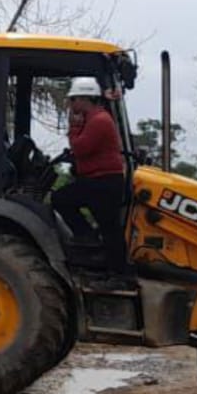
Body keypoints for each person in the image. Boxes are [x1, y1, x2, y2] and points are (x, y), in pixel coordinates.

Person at [51, 77, 131, 279]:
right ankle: (111, 266)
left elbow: (81, 148)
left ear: (85, 99)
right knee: (109, 227)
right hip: (100, 181)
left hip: (102, 182)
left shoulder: (99, 121)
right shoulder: (97, 119)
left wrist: (74, 127)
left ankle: (112, 266)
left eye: (73, 100)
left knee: (61, 199)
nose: (71, 105)